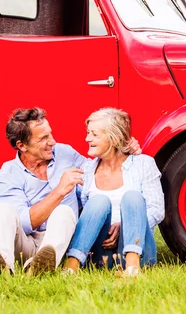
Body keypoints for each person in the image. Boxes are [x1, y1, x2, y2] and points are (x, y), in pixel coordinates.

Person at [0, 107, 140, 278]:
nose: (53, 141)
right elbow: (24, 223)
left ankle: (40, 266)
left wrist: (123, 148)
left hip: (60, 242)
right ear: (22, 145)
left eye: (50, 134)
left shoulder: (65, 153)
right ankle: (2, 268)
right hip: (24, 245)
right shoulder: (8, 174)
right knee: (4, 211)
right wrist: (59, 191)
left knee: (64, 211)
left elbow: (100, 169)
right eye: (43, 138)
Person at [64, 108, 164, 276]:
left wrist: (125, 225)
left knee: (132, 197)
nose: (87, 139)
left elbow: (157, 210)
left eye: (95, 135)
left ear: (115, 138)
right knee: (99, 201)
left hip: (140, 250)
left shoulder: (143, 164)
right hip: (100, 252)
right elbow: (81, 213)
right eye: (88, 133)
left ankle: (132, 269)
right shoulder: (87, 169)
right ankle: (70, 267)